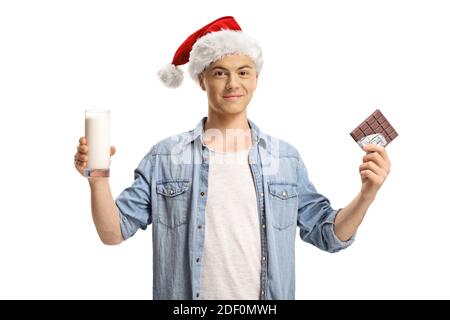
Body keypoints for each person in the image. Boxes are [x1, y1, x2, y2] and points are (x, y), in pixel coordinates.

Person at [74, 16, 391, 300]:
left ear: (256, 79)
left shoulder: (284, 158)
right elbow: (113, 233)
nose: (233, 84)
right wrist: (98, 179)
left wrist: (366, 194)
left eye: (243, 72)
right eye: (219, 73)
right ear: (202, 79)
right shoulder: (165, 157)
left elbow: (328, 234)